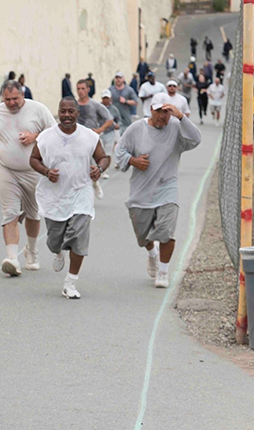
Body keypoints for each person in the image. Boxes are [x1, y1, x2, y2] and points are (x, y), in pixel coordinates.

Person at [115, 93, 201, 288]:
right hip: (141, 191)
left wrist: (181, 117)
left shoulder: (176, 127)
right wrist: (133, 160)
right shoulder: (136, 129)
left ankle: (163, 272)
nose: (163, 116)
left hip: (167, 188)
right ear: (150, 110)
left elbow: (196, 139)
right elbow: (120, 152)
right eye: (159, 111)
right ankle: (152, 253)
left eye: (166, 112)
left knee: (166, 232)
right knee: (143, 236)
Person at [29, 97, 110, 299]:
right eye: (63, 111)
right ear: (59, 112)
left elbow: (104, 157)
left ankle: (70, 283)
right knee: (55, 242)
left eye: (70, 111)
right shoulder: (46, 137)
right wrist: (47, 172)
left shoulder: (89, 136)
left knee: (79, 236)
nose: (66, 115)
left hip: (81, 193)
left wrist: (99, 169)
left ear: (77, 113)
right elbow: (33, 159)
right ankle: (58, 251)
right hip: (54, 197)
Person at [0, 81, 56, 276]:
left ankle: (32, 252)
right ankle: (12, 258)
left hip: (33, 170)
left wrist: (35, 136)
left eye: (15, 99)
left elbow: (54, 132)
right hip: (6, 169)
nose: (11, 103)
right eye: (7, 99)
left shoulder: (38, 109)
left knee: (33, 214)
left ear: (22, 95)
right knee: (10, 212)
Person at [76, 79, 114, 196]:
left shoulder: (95, 104)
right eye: (78, 89)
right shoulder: (74, 105)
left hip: (91, 139)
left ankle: (95, 183)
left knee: (92, 165)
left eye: (83, 88)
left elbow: (110, 119)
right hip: (76, 139)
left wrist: (99, 130)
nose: (81, 91)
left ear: (88, 89)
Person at [100, 90, 122, 163]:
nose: (106, 100)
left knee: (108, 153)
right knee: (100, 153)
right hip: (99, 132)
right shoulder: (98, 107)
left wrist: (118, 125)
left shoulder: (114, 109)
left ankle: (106, 171)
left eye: (107, 98)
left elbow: (119, 119)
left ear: (110, 98)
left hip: (110, 132)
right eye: (104, 98)